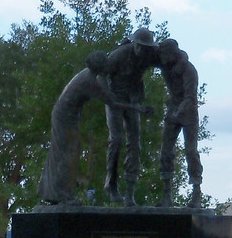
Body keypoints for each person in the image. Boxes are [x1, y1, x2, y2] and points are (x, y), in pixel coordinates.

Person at [37, 51, 150, 205]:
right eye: (105, 66)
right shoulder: (91, 81)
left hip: (66, 115)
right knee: (68, 152)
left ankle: (54, 194)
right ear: (99, 67)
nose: (107, 69)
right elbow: (113, 103)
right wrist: (138, 108)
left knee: (65, 152)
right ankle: (63, 196)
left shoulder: (88, 75)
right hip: (65, 117)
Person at [103, 28, 159, 206]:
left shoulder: (150, 55)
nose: (142, 51)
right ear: (134, 43)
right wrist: (107, 97)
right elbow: (99, 75)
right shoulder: (118, 55)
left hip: (133, 102)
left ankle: (130, 191)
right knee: (117, 139)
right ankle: (111, 185)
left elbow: (168, 58)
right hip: (114, 100)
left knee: (135, 143)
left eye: (146, 48)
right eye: (140, 47)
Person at [157, 38, 203, 208]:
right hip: (173, 109)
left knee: (191, 150)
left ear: (172, 54)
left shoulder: (189, 71)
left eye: (164, 55)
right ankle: (166, 195)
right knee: (165, 151)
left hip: (188, 112)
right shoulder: (165, 63)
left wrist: (177, 113)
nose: (161, 58)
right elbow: (149, 53)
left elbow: (190, 98)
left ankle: (196, 192)